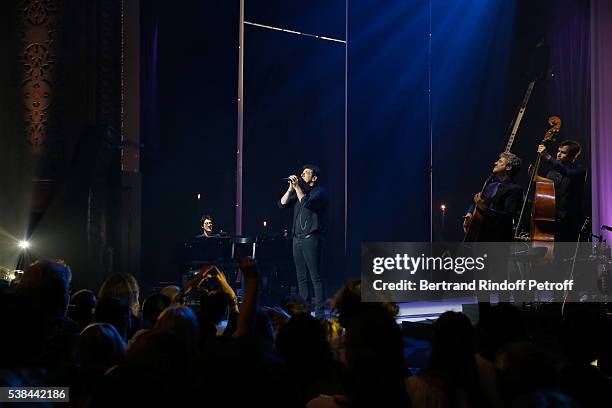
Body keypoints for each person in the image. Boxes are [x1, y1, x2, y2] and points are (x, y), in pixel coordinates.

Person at [279, 164, 328, 318]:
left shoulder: (320, 192)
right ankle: (304, 313)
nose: (302, 174)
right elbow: (281, 204)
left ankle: (320, 314)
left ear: (314, 178)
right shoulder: (300, 191)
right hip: (297, 239)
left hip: (311, 238)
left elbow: (307, 202)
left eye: (306, 173)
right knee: (301, 277)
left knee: (315, 277)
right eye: (302, 172)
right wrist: (290, 189)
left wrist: (298, 188)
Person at [463, 152, 523, 242]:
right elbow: (476, 202)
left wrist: (484, 207)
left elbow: (507, 217)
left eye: (500, 161)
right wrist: (469, 213)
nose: (495, 163)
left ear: (508, 167)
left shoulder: (515, 189)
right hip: (480, 235)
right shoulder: (491, 185)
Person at [537, 140, 586, 242]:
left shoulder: (579, 170)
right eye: (558, 151)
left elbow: (567, 172)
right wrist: (536, 178)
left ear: (573, 156)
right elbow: (547, 186)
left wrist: (548, 157)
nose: (558, 154)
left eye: (563, 152)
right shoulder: (553, 170)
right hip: (550, 213)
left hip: (568, 218)